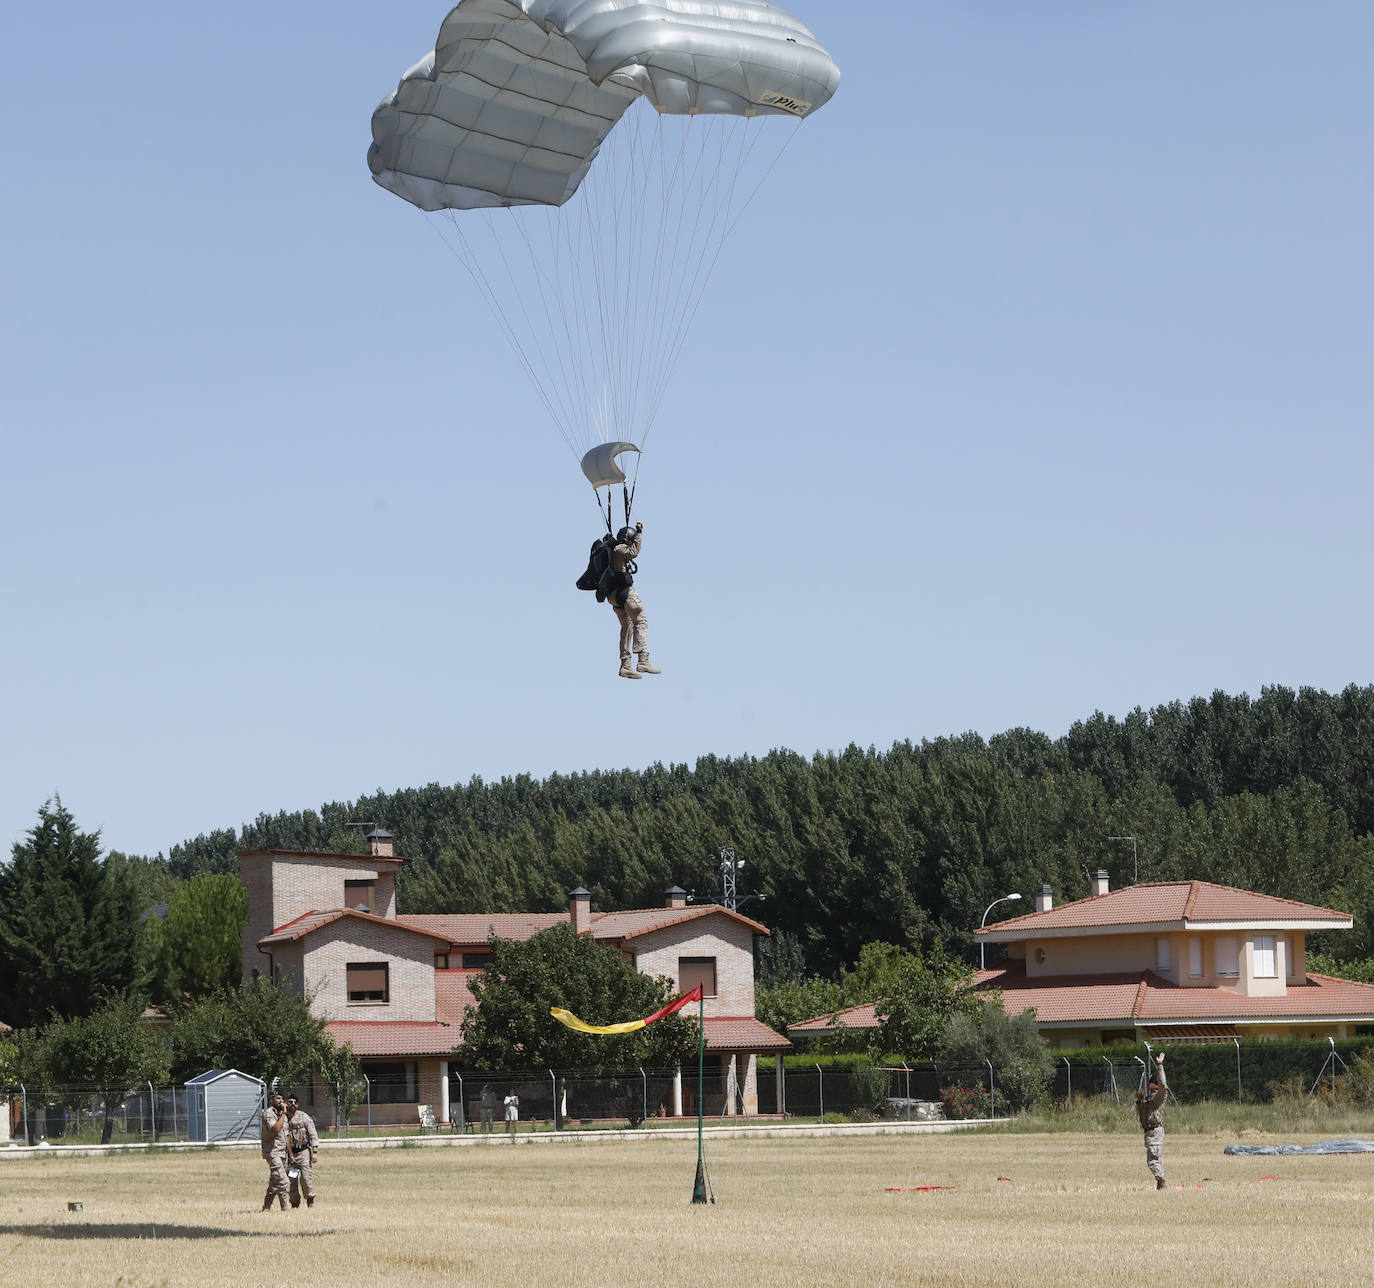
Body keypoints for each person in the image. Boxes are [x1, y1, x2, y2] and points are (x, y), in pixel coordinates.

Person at [599, 522, 659, 680]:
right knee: (641, 620)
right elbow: (633, 552)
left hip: (613, 596)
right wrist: (639, 535)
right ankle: (643, 660)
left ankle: (625, 665)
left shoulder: (611, 548)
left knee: (628, 626)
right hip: (624, 592)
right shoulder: (619, 549)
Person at [1134, 1050, 1168, 1189]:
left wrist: (1160, 1065)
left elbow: (1163, 1084)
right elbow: (1139, 1113)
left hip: (1155, 1131)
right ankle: (1160, 1182)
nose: (1150, 1086)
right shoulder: (1148, 1099)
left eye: (1153, 1083)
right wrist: (1139, 1101)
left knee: (1153, 1160)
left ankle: (1161, 1181)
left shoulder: (1160, 1096)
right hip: (1148, 1132)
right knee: (1154, 1159)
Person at [284, 1095, 320, 1208]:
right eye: (290, 1102)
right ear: (286, 1103)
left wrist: (314, 1152)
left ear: (298, 1104)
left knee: (306, 1178)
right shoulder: (282, 1118)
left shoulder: (304, 1117)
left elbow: (313, 1135)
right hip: (290, 1154)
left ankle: (310, 1201)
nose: (292, 1104)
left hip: (303, 1152)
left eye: (295, 1102)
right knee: (291, 1179)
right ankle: (295, 1203)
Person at [259, 1091, 290, 1212]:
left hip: (283, 1152)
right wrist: (284, 1114)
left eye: (282, 1098)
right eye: (278, 1098)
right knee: (283, 1181)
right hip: (272, 1152)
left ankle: (266, 1207)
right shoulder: (269, 1113)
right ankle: (285, 1208)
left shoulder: (282, 1114)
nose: (281, 1101)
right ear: (271, 1100)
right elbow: (275, 1129)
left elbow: (286, 1136)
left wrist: (290, 1154)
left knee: (275, 1182)